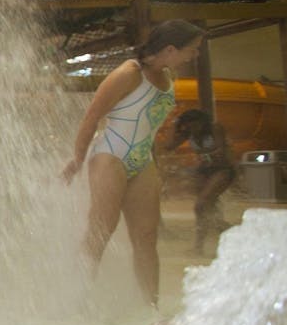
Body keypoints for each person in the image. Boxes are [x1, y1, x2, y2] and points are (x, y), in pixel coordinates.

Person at [61, 19, 205, 307]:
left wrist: (158, 165)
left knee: (146, 237)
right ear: (170, 49)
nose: (196, 55)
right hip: (110, 155)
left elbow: (149, 126)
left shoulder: (168, 76)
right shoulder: (128, 73)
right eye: (193, 49)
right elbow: (92, 117)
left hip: (142, 160)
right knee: (102, 229)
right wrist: (77, 159)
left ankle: (150, 308)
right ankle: (74, 304)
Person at [167, 108, 236, 255]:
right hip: (203, 172)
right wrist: (174, 125)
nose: (194, 128)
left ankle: (200, 247)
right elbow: (169, 146)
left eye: (195, 125)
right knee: (209, 213)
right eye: (189, 126)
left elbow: (221, 151)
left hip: (222, 170)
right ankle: (235, 237)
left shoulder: (215, 128)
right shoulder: (189, 133)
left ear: (202, 122)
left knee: (201, 205)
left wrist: (204, 157)